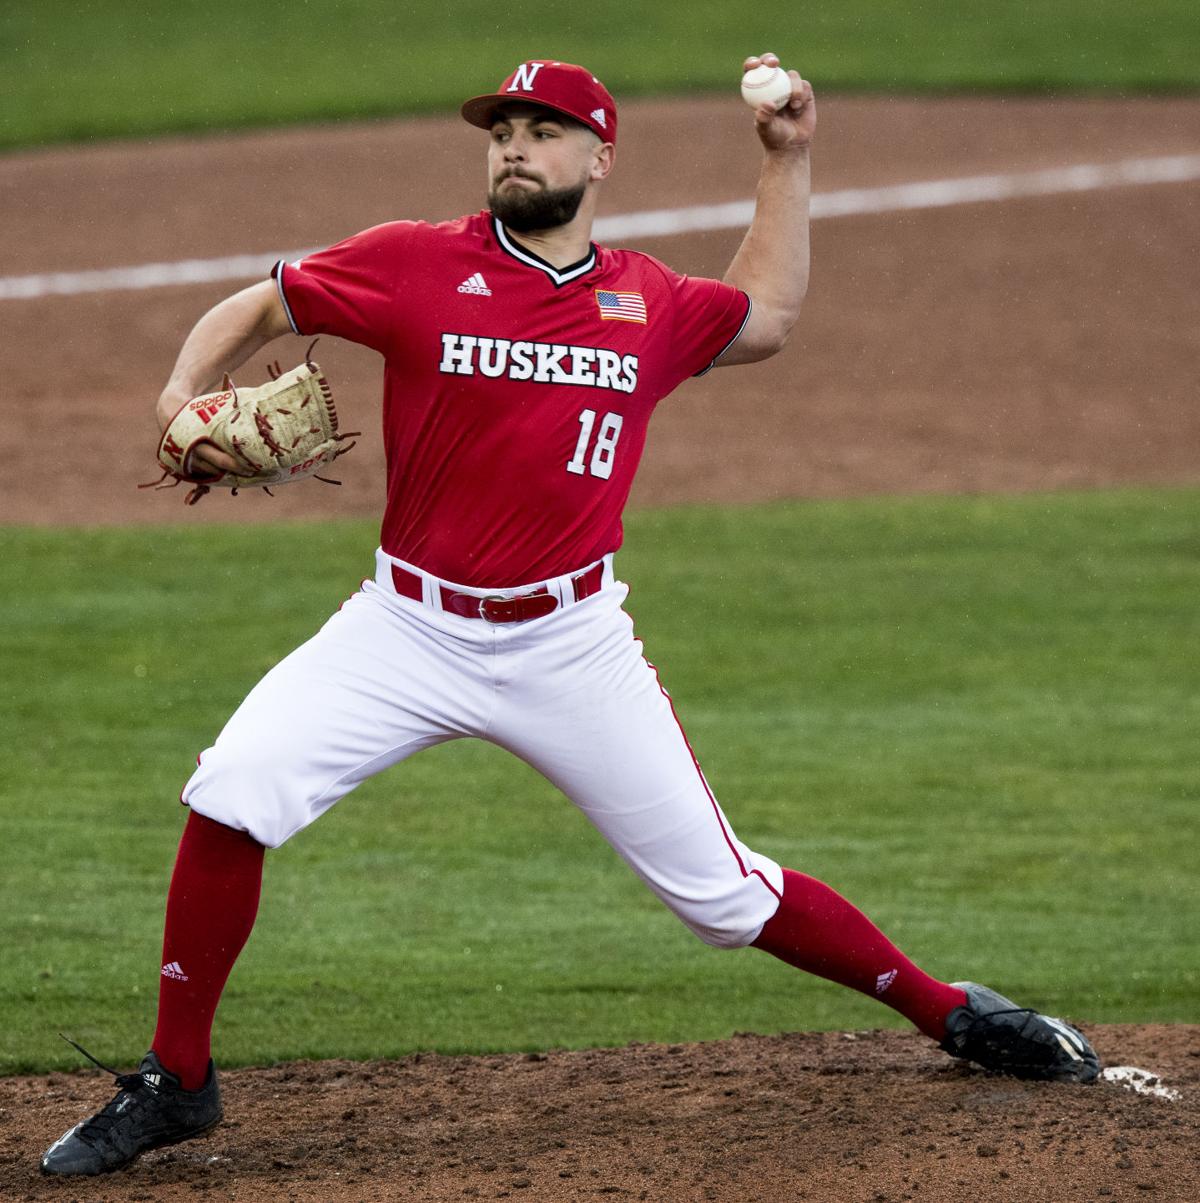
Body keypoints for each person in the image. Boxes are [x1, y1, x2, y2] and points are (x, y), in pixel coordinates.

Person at [40, 53, 1100, 1178]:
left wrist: (788, 157)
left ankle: (950, 1012)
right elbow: (261, 303)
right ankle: (178, 1079)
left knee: (723, 896)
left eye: (542, 130)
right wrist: (175, 397)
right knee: (234, 791)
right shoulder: (413, 262)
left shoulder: (647, 302)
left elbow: (771, 315)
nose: (512, 144)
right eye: (502, 128)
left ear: (598, 159)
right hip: (405, 630)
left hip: (572, 644)